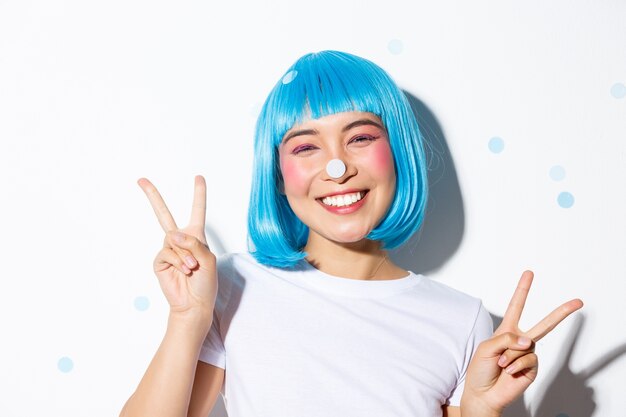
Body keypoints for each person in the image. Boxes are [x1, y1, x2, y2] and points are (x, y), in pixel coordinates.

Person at [120, 51, 583, 417]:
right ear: (278, 175)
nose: (337, 167)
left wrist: (480, 411)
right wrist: (188, 318)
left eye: (360, 137)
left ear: (398, 151)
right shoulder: (234, 285)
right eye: (305, 146)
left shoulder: (463, 321)